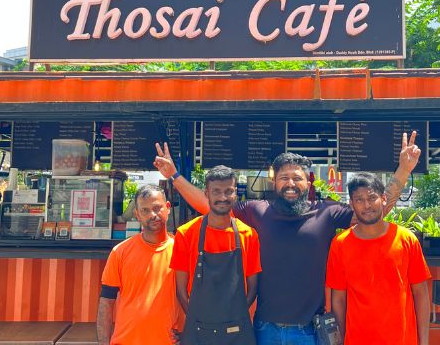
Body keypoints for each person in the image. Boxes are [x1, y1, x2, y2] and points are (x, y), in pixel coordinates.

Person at [154, 131, 421, 344]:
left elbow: (372, 209)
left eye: (297, 178)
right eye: (284, 178)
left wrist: (404, 170)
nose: (290, 184)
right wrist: (174, 176)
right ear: (275, 182)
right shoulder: (258, 211)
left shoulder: (327, 212)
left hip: (311, 332)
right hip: (264, 330)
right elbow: (210, 204)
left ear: (309, 182)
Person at [327, 172, 431, 345]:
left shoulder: (406, 239)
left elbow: (421, 293)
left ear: (383, 198)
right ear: (351, 204)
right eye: (359, 199)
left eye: (372, 197)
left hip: (402, 339)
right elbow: (338, 299)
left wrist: (424, 341)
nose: (366, 205)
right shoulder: (340, 244)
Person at [170, 165, 261, 345]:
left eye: (228, 191)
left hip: (237, 331)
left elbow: (253, 288)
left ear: (235, 193)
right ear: (206, 193)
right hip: (198, 331)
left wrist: (236, 316)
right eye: (216, 191)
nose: (222, 197)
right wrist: (199, 320)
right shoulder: (186, 234)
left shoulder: (248, 235)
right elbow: (180, 290)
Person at [97, 184, 184, 345]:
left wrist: (188, 333)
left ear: (168, 207)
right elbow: (106, 303)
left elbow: (194, 298)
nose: (153, 215)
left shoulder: (181, 251)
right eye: (145, 210)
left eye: (157, 208)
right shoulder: (120, 252)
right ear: (137, 214)